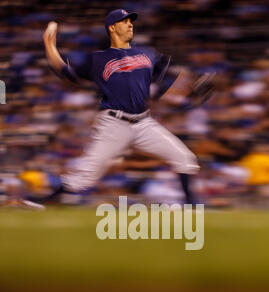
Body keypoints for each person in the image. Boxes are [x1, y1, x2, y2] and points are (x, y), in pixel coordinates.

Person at [43, 9, 201, 203]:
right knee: (83, 178)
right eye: (124, 21)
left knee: (185, 159)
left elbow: (164, 84)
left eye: (131, 21)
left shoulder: (148, 53)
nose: (130, 24)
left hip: (144, 123)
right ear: (112, 27)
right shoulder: (98, 59)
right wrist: (49, 44)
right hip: (114, 125)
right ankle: (43, 205)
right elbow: (65, 71)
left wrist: (187, 94)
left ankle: (194, 210)